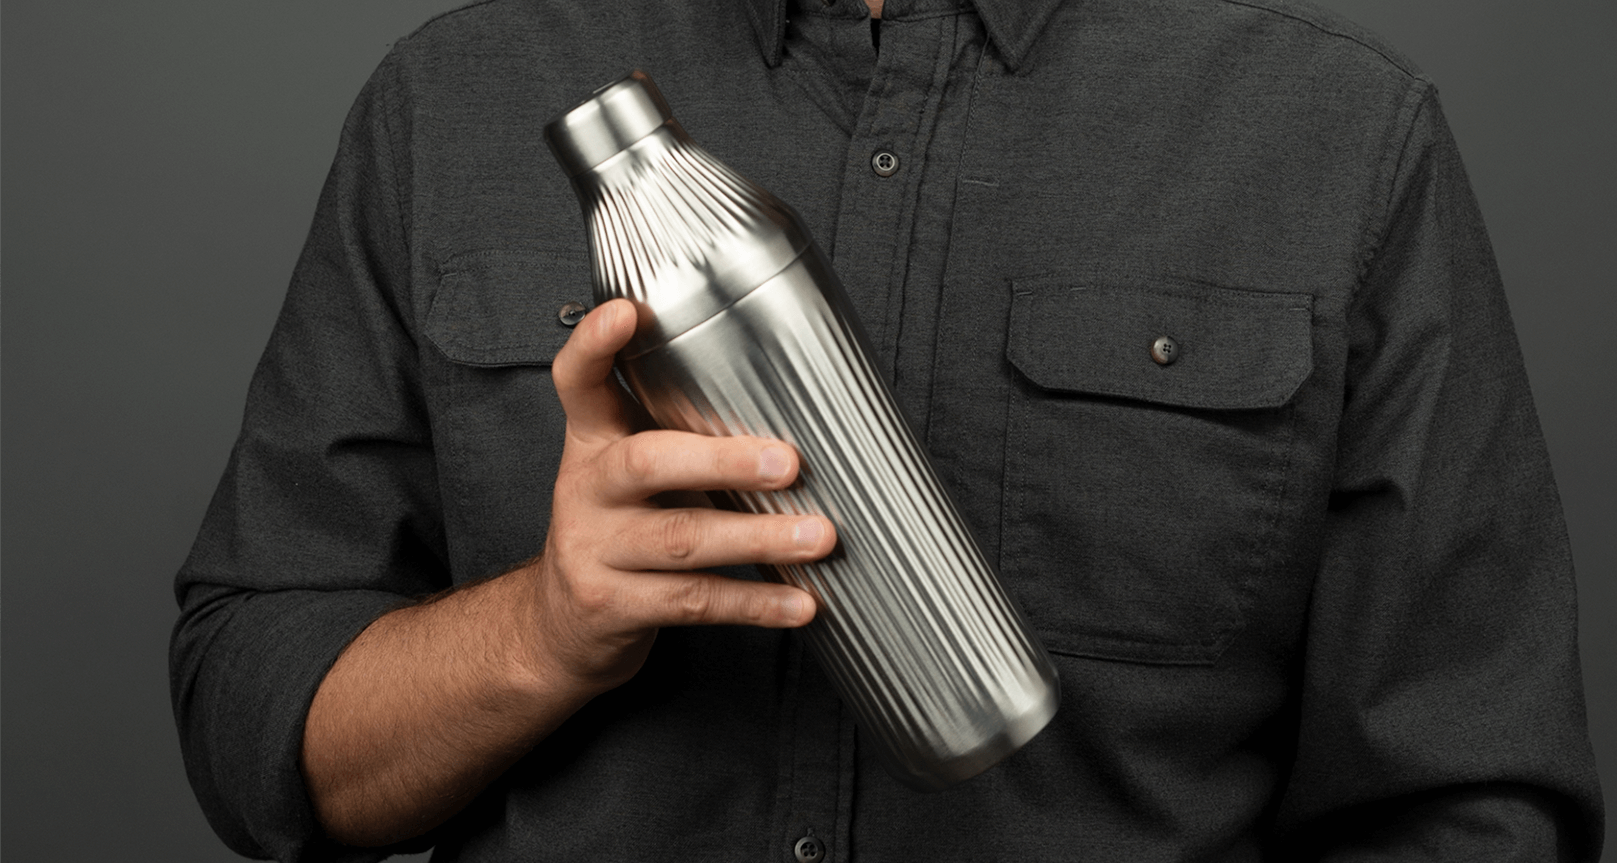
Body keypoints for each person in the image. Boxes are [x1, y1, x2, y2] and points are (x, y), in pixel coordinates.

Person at [170, 0, 1605, 859]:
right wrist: (544, 628)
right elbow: (254, 725)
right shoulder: (452, 104)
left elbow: (1473, 801)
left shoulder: (1330, 137)